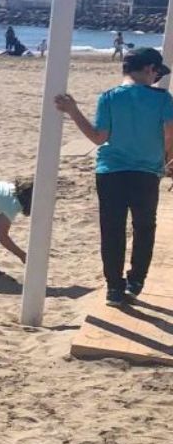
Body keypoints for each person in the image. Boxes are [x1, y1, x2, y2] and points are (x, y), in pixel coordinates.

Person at [55, 46, 173, 304]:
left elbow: (98, 137)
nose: (157, 79)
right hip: (146, 173)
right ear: (148, 69)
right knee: (144, 227)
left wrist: (73, 111)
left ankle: (114, 288)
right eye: (157, 73)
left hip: (111, 172)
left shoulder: (108, 97)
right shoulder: (163, 99)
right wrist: (164, 159)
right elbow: (169, 135)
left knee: (112, 229)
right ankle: (136, 280)